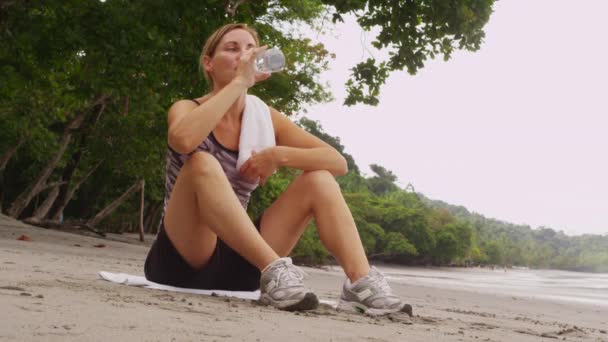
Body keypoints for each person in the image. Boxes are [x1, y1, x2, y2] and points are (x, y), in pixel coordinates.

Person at [144, 23, 405, 315]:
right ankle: (275, 269)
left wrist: (278, 156)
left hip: (244, 263)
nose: (243, 56)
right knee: (202, 162)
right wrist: (239, 83)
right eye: (232, 48)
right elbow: (182, 140)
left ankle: (360, 284)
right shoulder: (186, 107)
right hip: (185, 257)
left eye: (249, 50)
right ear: (209, 63)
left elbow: (337, 162)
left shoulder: (262, 116)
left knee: (319, 179)